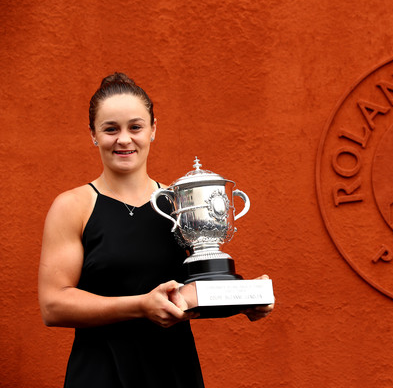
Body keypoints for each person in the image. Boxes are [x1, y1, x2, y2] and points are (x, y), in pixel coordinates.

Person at [38, 72, 274, 388]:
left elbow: (189, 294)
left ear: (152, 130)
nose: (124, 139)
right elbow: (53, 306)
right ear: (94, 134)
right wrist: (141, 306)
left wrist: (243, 299)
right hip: (101, 372)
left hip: (172, 371)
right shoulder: (73, 206)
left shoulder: (181, 204)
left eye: (135, 127)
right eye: (111, 129)